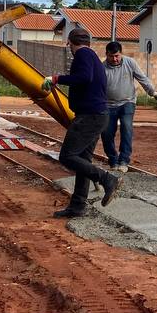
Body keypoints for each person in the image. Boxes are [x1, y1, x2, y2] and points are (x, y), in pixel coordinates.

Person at [43, 27, 121, 218]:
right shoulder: (92, 56)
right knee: (82, 161)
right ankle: (77, 206)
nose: (68, 46)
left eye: (68, 43)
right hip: (97, 115)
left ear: (71, 42)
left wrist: (56, 78)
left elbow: (84, 78)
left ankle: (107, 179)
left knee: (67, 156)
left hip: (90, 116)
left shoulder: (83, 55)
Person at [102, 41, 157, 172]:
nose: (115, 59)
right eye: (111, 56)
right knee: (106, 133)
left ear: (121, 54)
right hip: (108, 105)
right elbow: (96, 88)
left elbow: (142, 78)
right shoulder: (102, 68)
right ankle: (113, 160)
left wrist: (153, 92)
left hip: (128, 102)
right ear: (106, 55)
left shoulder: (130, 63)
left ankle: (124, 160)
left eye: (117, 56)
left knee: (127, 128)